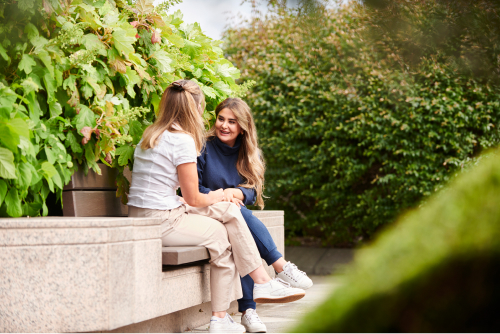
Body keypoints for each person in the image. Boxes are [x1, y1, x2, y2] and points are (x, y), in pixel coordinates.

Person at [127, 80, 305, 334]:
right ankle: (224, 315)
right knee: (222, 237)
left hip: (151, 213)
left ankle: (261, 284)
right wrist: (223, 194)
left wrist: (226, 200)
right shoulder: (182, 141)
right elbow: (195, 199)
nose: (203, 114)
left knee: (232, 212)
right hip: (163, 220)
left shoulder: (151, 134)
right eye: (201, 107)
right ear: (193, 109)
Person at [197, 97, 313, 333]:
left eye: (232, 121)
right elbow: (194, 189)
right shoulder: (203, 147)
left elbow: (251, 190)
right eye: (221, 119)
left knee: (240, 222)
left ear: (243, 127)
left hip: (232, 214)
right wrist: (223, 195)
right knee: (239, 218)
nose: (224, 126)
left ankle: (250, 310)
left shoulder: (248, 152)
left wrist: (236, 193)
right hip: (204, 211)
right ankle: (276, 273)